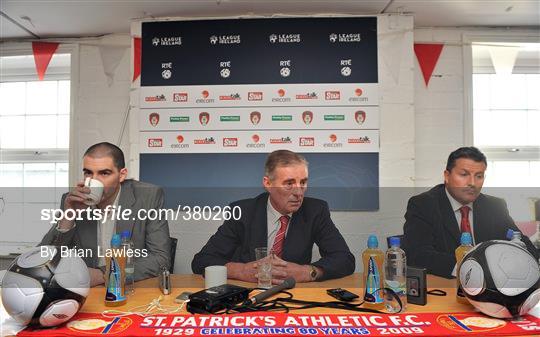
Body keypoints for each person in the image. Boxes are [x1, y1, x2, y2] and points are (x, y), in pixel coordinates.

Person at [191, 150, 355, 283]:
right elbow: (201, 261)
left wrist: (307, 272)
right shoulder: (242, 211)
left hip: (294, 295)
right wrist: (241, 271)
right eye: (289, 184)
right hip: (248, 293)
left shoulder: (315, 211)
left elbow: (345, 259)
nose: (298, 193)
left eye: (303, 183)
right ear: (268, 183)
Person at [40, 142, 171, 286]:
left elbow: (160, 259)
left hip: (129, 288)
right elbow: (44, 258)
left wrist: (104, 274)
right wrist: (69, 216)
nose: (94, 181)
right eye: (88, 173)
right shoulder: (72, 200)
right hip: (86, 291)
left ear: (121, 175)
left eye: (104, 173)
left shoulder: (147, 196)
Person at [402, 147, 537, 278]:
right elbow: (418, 254)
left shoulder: (495, 206)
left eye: (479, 176)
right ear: (447, 176)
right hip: (446, 287)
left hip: (491, 289)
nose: (472, 183)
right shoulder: (423, 205)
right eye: (464, 174)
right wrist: (474, 269)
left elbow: (524, 246)